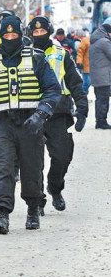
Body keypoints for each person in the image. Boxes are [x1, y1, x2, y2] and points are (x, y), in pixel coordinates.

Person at [0, 15, 61, 234]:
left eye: (14, 35)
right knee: (3, 168)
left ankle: (32, 208)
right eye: (6, 35)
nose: (10, 38)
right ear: (0, 36)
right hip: (1, 124)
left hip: (31, 123)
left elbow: (53, 89)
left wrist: (41, 114)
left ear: (21, 35)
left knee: (32, 169)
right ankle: (2, 213)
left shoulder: (37, 59)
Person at [29, 16, 88, 213]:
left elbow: (75, 83)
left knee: (62, 156)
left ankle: (55, 188)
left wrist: (82, 109)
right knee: (34, 160)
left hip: (58, 113)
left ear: (50, 31)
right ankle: (38, 199)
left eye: (42, 31)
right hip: (32, 112)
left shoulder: (62, 54)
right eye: (35, 32)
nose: (39, 35)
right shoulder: (24, 55)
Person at [89, 19, 111, 129]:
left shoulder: (96, 40)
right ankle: (101, 121)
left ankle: (100, 121)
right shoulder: (104, 42)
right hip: (103, 77)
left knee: (100, 99)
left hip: (98, 76)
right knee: (103, 100)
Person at [77, 29, 91, 94]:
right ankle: (82, 94)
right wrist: (79, 62)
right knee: (87, 82)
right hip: (86, 65)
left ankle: (83, 93)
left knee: (89, 82)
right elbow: (80, 52)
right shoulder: (85, 40)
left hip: (94, 65)